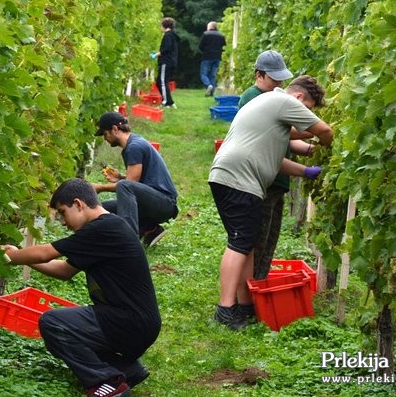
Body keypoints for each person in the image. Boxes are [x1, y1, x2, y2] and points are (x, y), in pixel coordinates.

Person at [0, 178, 161, 397]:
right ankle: (127, 369)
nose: (64, 223)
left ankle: (108, 383)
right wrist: (20, 256)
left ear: (78, 204)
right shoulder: (104, 229)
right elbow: (64, 271)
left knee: (54, 323)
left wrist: (8, 256)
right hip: (134, 323)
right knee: (67, 325)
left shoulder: (103, 228)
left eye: (63, 213)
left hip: (130, 323)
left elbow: (46, 253)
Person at [208, 75, 333, 329]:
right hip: (239, 180)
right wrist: (328, 147)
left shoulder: (270, 109)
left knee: (247, 245)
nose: (304, 114)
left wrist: (306, 171)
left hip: (231, 176)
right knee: (239, 242)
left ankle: (244, 305)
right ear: (299, 98)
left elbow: (275, 161)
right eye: (307, 109)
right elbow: (325, 130)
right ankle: (225, 309)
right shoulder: (283, 101)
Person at [239, 51, 317, 296]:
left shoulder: (274, 99)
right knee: (258, 241)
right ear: (258, 75)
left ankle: (259, 288)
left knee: (270, 239)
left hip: (277, 182)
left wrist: (307, 148)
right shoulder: (253, 99)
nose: (279, 85)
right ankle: (250, 294)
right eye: (274, 80)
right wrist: (312, 130)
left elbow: (281, 138)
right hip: (263, 180)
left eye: (282, 80)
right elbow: (265, 144)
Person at [93, 111, 178, 246]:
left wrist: (100, 187)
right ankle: (150, 228)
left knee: (124, 186)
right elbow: (134, 185)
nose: (104, 138)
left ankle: (128, 240)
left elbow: (130, 185)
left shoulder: (134, 147)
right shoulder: (132, 144)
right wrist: (120, 178)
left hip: (164, 203)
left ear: (115, 129)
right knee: (103, 208)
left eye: (105, 134)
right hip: (153, 201)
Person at [152, 17, 179, 108]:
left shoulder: (168, 35)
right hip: (171, 61)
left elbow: (166, 49)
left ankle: (166, 102)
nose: (160, 28)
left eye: (161, 25)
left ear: (164, 26)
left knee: (163, 82)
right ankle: (170, 102)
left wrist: (157, 54)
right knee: (159, 82)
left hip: (166, 62)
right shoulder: (173, 35)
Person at [198, 21, 226, 97]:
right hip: (217, 57)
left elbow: (200, 46)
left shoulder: (205, 34)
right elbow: (224, 46)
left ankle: (208, 85)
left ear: (210, 27)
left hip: (207, 56)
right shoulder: (221, 35)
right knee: (212, 75)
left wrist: (205, 51)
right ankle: (211, 92)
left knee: (203, 74)